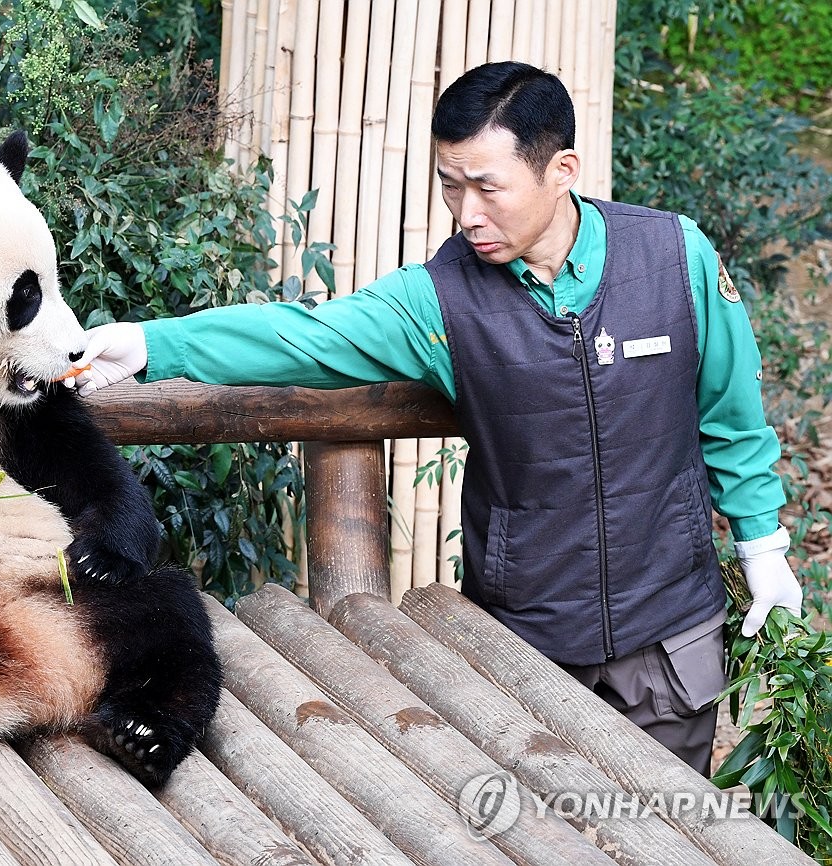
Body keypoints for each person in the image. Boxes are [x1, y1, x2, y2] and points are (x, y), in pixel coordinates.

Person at [69, 61, 803, 776]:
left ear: (562, 170)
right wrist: (148, 344)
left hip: (671, 634)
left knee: (665, 834)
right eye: (451, 187)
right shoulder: (439, 299)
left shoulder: (675, 257)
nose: (467, 214)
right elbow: (306, 334)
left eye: (488, 187)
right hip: (526, 642)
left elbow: (731, 418)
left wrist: (761, 549)